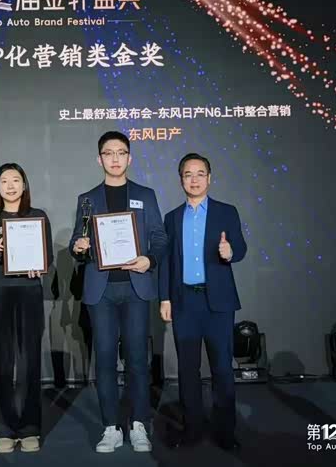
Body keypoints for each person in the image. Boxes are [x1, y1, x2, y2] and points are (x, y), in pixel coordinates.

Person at [69, 131, 168, 453]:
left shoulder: (145, 195)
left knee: (138, 360)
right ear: (99, 159)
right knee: (105, 360)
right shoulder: (87, 199)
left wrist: (150, 259)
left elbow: (159, 237)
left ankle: (139, 424)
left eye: (121, 152)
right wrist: (78, 247)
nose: (115, 158)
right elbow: (77, 242)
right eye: (108, 153)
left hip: (136, 287)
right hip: (101, 291)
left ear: (130, 158)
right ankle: (110, 426)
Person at [159, 153, 247, 451]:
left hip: (218, 302)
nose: (194, 179)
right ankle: (192, 429)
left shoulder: (226, 212)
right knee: (188, 370)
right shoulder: (172, 218)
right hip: (185, 302)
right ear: (181, 180)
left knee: (222, 368)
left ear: (209, 178)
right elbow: (166, 262)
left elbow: (241, 247)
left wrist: (229, 252)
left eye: (200, 174)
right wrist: (165, 297)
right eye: (188, 174)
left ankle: (225, 431)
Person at [0, 163, 54, 454]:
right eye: (4, 181)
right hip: (0, 294)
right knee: (2, 363)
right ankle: (5, 429)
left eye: (16, 180)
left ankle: (30, 427)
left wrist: (39, 266)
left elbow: (47, 257)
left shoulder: (37, 216)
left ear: (24, 184)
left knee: (29, 361)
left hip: (29, 292)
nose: (10, 186)